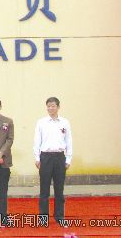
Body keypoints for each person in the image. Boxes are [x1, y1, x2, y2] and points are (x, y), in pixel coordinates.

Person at [33, 96, 72, 226]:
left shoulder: (64, 122)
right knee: (44, 189)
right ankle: (43, 217)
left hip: (60, 157)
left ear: (58, 107)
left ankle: (59, 216)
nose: (50, 108)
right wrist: (37, 158)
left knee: (59, 189)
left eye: (53, 106)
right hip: (45, 157)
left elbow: (69, 141)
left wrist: (68, 158)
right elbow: (37, 141)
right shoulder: (41, 122)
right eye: (48, 106)